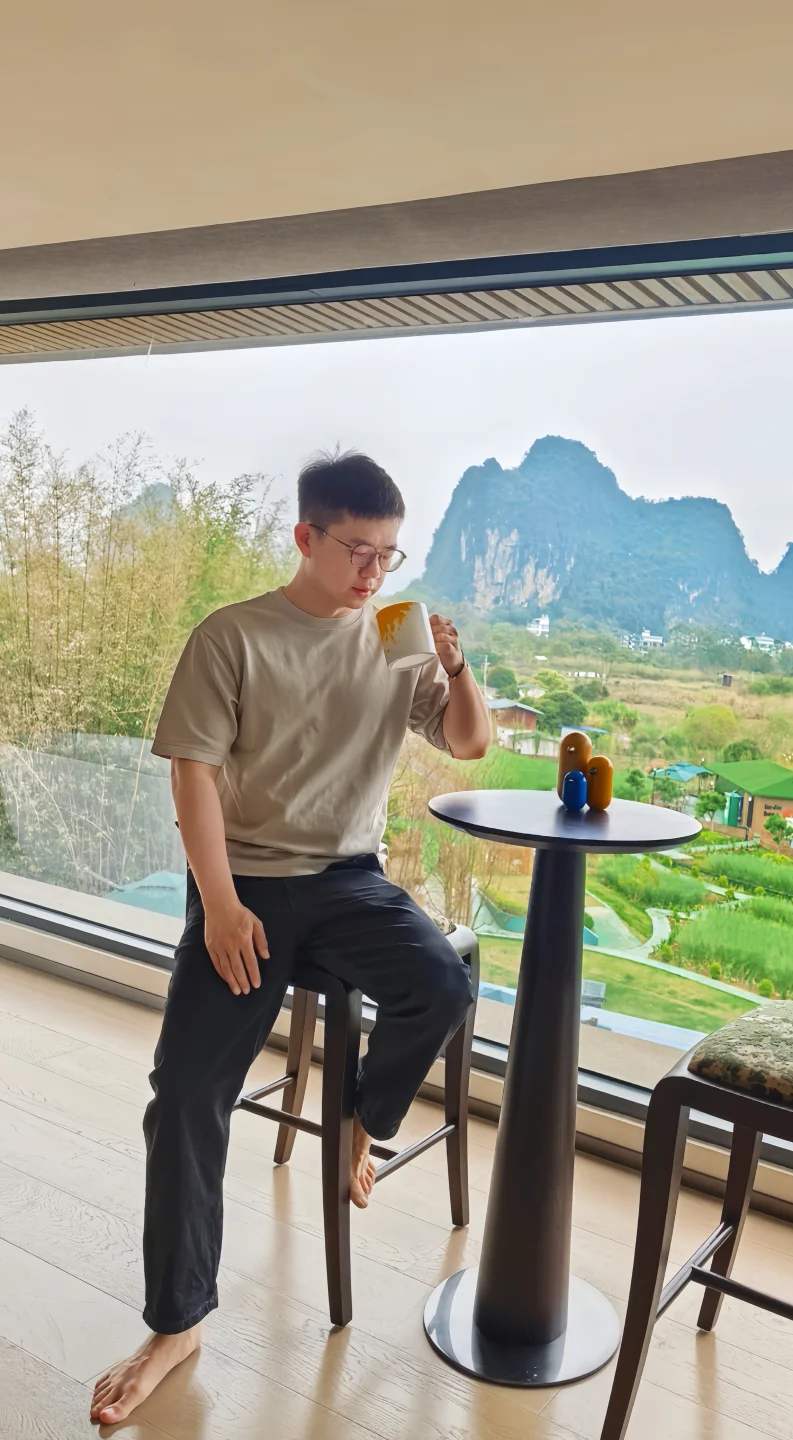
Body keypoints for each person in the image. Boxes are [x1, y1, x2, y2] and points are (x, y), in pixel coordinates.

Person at [90, 451, 491, 1425]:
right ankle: (177, 1323)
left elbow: (469, 742)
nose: (373, 573)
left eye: (390, 555)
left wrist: (455, 665)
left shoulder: (394, 632)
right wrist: (220, 904)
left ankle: (361, 1123)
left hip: (350, 880)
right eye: (358, 550)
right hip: (248, 886)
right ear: (306, 536)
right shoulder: (232, 636)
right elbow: (191, 775)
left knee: (441, 984)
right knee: (185, 1096)